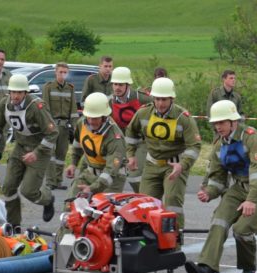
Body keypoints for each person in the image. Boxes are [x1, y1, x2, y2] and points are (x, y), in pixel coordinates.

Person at [185, 100, 257, 273]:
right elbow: (218, 176)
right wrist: (209, 192)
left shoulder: (252, 137)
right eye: (215, 123)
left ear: (233, 122)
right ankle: (206, 268)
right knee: (219, 220)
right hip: (238, 188)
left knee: (242, 230)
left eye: (222, 122)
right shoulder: (220, 144)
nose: (218, 127)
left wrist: (251, 200)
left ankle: (248, 269)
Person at [125, 77, 201, 229]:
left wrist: (183, 165)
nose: (160, 103)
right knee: (144, 204)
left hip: (174, 166)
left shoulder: (183, 118)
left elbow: (194, 145)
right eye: (157, 99)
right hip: (151, 164)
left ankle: (175, 243)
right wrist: (131, 155)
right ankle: (148, 242)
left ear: (172, 98)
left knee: (172, 204)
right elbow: (131, 132)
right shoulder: (143, 113)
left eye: (164, 99)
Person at [0, 75, 57, 228]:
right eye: (13, 92)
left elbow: (53, 133)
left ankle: (48, 199)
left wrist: (36, 153)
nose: (16, 96)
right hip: (19, 147)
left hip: (39, 151)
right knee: (8, 187)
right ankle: (14, 225)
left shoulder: (36, 107)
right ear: (9, 92)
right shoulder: (4, 104)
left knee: (28, 191)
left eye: (20, 92)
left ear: (25, 93)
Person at [65, 92, 126, 199]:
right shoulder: (81, 123)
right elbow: (77, 144)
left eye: (96, 118)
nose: (92, 122)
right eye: (89, 117)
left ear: (104, 116)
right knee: (71, 205)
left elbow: (110, 171)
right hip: (90, 173)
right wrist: (73, 164)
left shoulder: (115, 138)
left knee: (102, 210)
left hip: (111, 179)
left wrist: (92, 188)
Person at [108, 66, 151, 192]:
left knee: (134, 176)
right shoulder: (109, 102)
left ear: (128, 85)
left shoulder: (142, 98)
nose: (117, 87)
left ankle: (147, 198)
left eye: (121, 84)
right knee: (111, 173)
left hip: (143, 141)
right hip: (123, 142)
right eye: (115, 84)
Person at [43, 63, 77, 190]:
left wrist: (75, 127)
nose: (62, 74)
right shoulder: (48, 87)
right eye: (60, 72)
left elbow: (73, 109)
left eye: (65, 72)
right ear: (55, 72)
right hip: (52, 125)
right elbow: (45, 108)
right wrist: (46, 125)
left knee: (61, 155)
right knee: (50, 154)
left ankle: (58, 181)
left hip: (64, 126)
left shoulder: (70, 88)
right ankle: (50, 182)